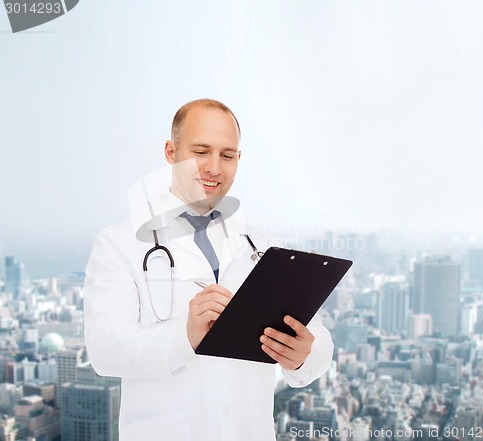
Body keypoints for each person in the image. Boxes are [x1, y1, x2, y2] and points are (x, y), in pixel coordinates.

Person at [83, 99, 334, 441]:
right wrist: (184, 337)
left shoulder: (260, 246)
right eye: (201, 151)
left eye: (227, 155)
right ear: (171, 152)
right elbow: (104, 349)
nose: (214, 168)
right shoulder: (120, 243)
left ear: (238, 160)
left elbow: (317, 335)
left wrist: (304, 354)